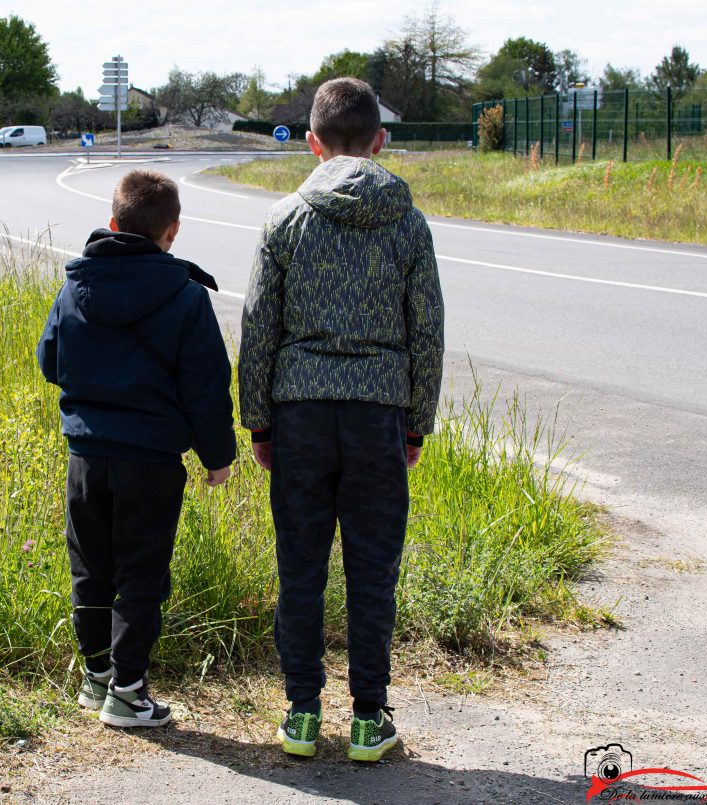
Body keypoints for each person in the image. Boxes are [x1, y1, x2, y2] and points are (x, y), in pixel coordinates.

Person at [238, 77, 444, 762]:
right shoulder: (407, 222)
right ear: (381, 140)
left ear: (312, 142)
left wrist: (258, 421)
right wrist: (417, 422)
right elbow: (428, 331)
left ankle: (300, 712)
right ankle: (367, 716)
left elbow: (257, 326)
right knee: (372, 566)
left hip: (298, 413)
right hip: (379, 413)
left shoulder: (286, 220)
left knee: (300, 562)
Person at [36, 170, 236, 728]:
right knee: (142, 574)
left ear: (113, 221)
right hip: (150, 462)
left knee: (91, 567)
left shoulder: (75, 287)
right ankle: (128, 692)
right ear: (171, 232)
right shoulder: (186, 296)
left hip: (87, 457)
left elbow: (50, 361)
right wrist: (216, 455)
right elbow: (205, 386)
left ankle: (96, 675)